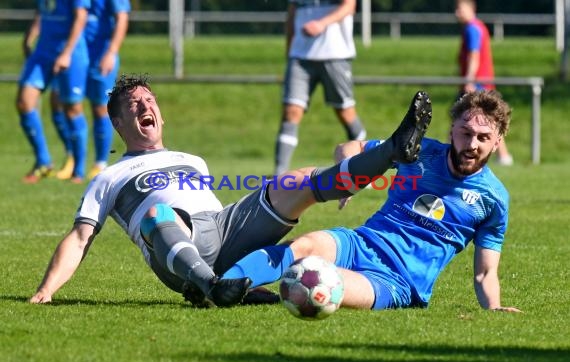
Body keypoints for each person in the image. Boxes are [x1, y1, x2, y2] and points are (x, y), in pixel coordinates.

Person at [29, 74, 432, 307]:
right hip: (174, 252)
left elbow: (216, 217)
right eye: (133, 105)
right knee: (157, 215)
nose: (143, 107)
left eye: (149, 100)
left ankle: (391, 152)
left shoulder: (192, 159)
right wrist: (46, 291)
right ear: (118, 124)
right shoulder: (109, 176)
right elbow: (80, 238)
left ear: (161, 115)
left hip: (221, 226)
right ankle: (210, 286)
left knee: (299, 179)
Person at [221, 90, 521, 313]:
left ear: (498, 141)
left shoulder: (492, 198)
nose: (471, 144)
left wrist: (494, 309)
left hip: (397, 281)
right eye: (465, 133)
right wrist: (350, 180)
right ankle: (218, 285)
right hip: (360, 243)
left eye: (483, 137)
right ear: (452, 131)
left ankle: (242, 284)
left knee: (322, 278)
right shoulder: (416, 151)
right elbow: (348, 147)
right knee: (304, 246)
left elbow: (485, 272)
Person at [274, 0, 366, 175]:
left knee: (345, 113)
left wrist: (322, 23)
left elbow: (349, 6)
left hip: (335, 55)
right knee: (291, 111)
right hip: (299, 57)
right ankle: (279, 175)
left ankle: (364, 168)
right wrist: (289, 51)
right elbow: (292, 15)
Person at [54, 0, 131, 181]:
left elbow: (122, 18)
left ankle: (100, 163)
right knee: (68, 105)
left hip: (100, 55)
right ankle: (74, 162)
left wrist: (111, 52)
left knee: (100, 107)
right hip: (75, 53)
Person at [17, 0, 90, 184]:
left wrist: (66, 53)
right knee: (24, 102)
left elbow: (81, 17)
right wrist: (29, 37)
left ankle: (79, 171)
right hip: (43, 52)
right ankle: (44, 161)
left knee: (71, 108)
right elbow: (42, 12)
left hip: (70, 52)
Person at [455, 0, 513, 166]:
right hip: (481, 82)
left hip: (476, 84)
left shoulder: (472, 29)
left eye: (459, 9)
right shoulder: (478, 27)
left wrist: (469, 79)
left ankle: (453, 153)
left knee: (461, 119)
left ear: (470, 9)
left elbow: (474, 54)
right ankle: (504, 157)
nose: (457, 13)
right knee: (489, 120)